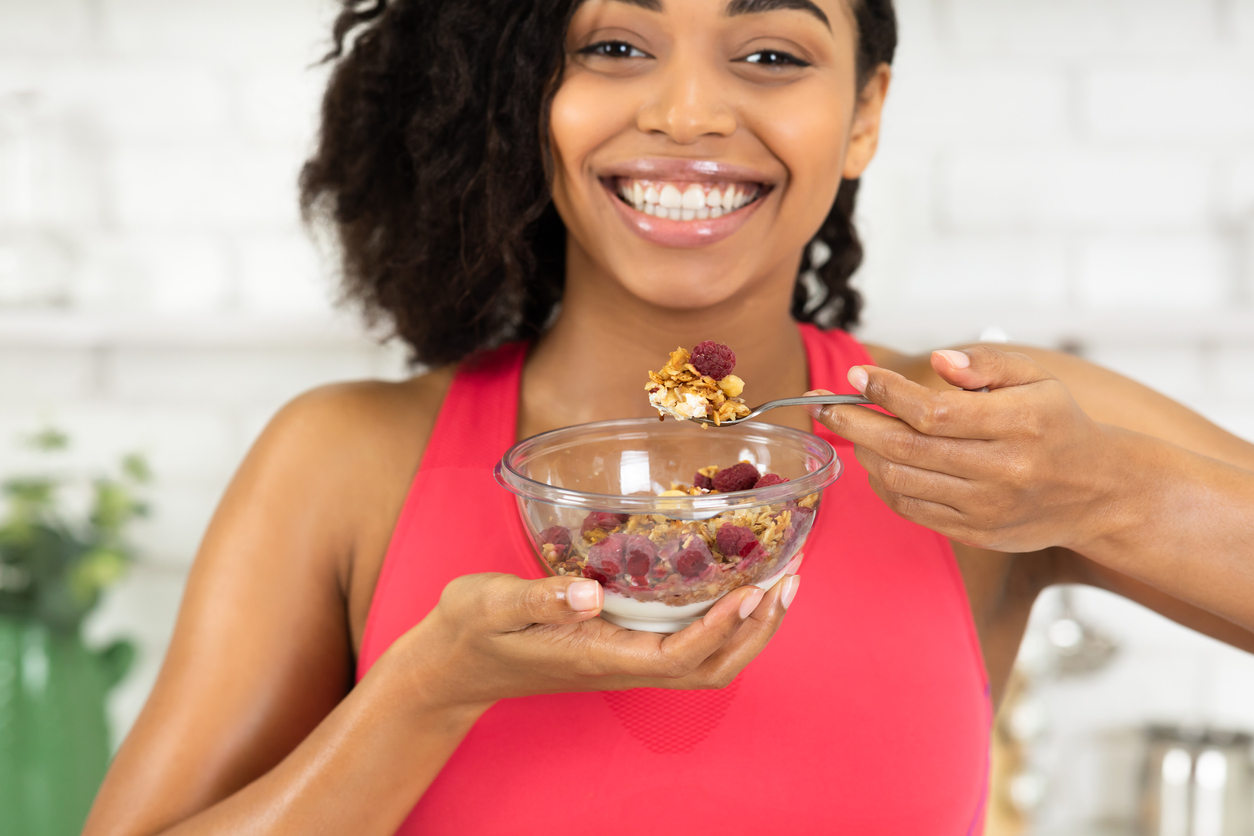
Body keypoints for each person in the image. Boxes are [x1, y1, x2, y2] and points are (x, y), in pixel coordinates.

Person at [85, 0, 1254, 833]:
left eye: (769, 52)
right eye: (615, 44)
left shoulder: (989, 430)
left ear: (863, 113)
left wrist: (1115, 491)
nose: (689, 109)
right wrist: (429, 684)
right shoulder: (343, 461)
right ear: (530, 98)